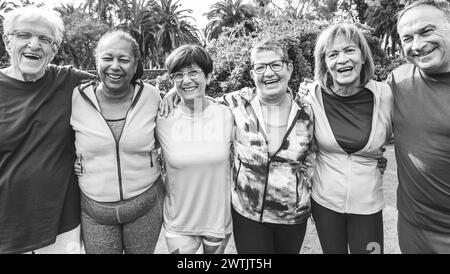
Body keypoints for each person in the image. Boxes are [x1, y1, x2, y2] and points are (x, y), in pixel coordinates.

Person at [161, 40, 316, 253]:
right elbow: (198, 98)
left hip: (293, 214)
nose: (268, 73)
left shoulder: (308, 111)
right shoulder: (236, 104)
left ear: (289, 68)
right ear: (252, 74)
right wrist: (174, 91)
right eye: (260, 67)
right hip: (248, 213)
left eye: (275, 65)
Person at [0, 7, 93, 254]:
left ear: (55, 48)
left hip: (62, 229)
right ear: (7, 40)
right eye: (24, 35)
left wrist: (173, 94)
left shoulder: (70, 81)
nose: (34, 45)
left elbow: (120, 84)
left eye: (44, 39)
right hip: (6, 228)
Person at [300, 23, 393, 254]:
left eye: (349, 50)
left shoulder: (386, 95)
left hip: (368, 206)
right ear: (325, 63)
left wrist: (379, 158)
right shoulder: (311, 97)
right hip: (325, 204)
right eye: (333, 54)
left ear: (363, 57)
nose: (342, 59)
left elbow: (410, 135)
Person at [71, 30, 164, 254]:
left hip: (145, 205)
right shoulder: (76, 96)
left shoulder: (152, 96)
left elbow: (170, 133)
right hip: (95, 211)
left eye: (123, 59)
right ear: (96, 61)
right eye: (107, 58)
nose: (115, 66)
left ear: (135, 65)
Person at [156, 45, 233, 254]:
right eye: (178, 75)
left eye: (193, 72)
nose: (186, 80)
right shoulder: (161, 118)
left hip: (216, 220)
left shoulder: (227, 114)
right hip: (179, 222)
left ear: (208, 76)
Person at [388, 0, 450, 253]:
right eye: (407, 38)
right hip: (413, 228)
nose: (418, 45)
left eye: (427, 31)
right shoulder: (397, 80)